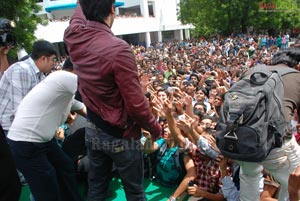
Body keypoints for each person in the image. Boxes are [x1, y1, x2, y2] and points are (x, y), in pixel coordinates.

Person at [64, 1, 161, 201]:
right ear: (112, 9)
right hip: (121, 136)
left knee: (97, 188)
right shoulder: (119, 49)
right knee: (135, 192)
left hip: (92, 129)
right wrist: (155, 128)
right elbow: (136, 105)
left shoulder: (73, 36)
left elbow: (77, 17)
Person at [7, 70, 86, 201]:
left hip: (43, 141)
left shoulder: (67, 98)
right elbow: (93, 88)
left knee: (64, 166)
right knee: (46, 185)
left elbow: (83, 109)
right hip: (25, 143)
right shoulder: (64, 77)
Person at [237, 46, 300, 201]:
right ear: (298, 65)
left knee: (249, 179)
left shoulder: (252, 71)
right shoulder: (297, 76)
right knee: (296, 185)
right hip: (276, 144)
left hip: (242, 141)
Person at [0, 40, 57, 135]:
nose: (54, 63)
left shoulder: (39, 74)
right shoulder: (23, 70)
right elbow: (18, 109)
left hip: (22, 126)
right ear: (43, 59)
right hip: (10, 128)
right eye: (53, 59)